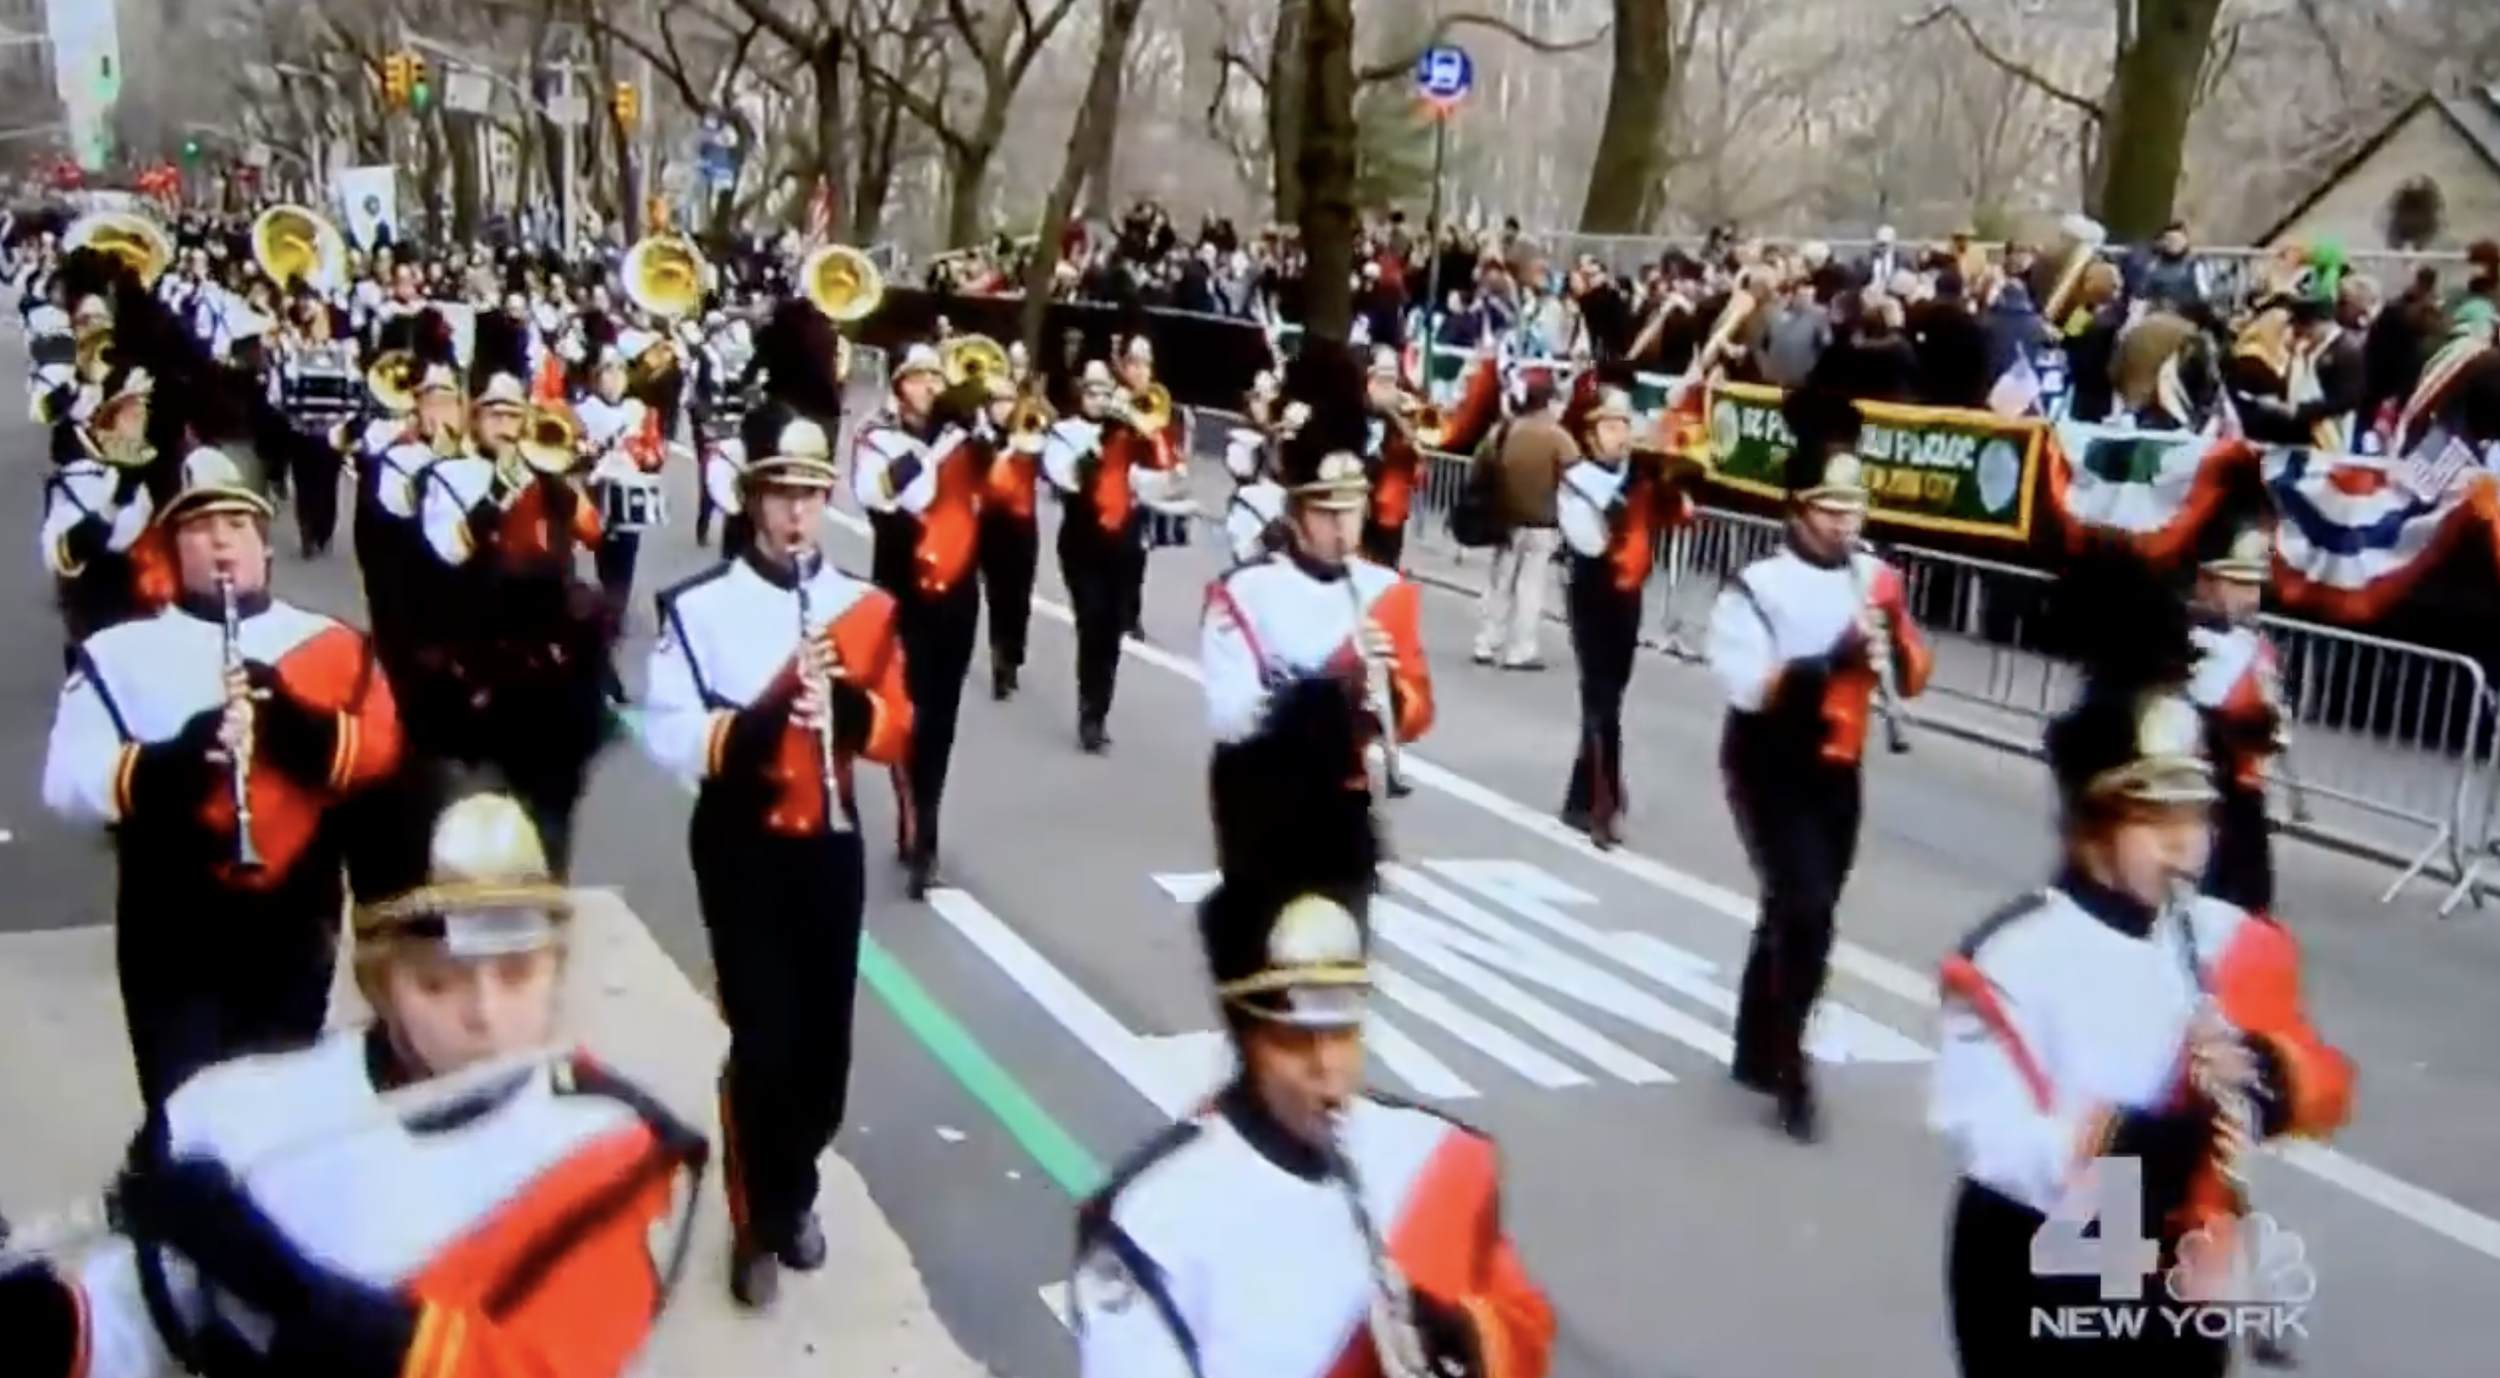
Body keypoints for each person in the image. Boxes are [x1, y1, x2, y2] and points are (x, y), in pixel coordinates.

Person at [0, 769, 711, 1378]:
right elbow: (138, 1322)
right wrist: (52, 1323)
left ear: (558, 965)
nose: (486, 1015)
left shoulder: (616, 1153)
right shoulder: (238, 1112)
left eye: (519, 974)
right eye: (437, 983)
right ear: (379, 981)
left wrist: (286, 1289)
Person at [1931, 546, 2354, 1378]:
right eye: (2153, 819)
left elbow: (2327, 1082)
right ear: (2092, 824)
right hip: (2043, 1258)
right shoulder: (2012, 956)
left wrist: (2263, 1074)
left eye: (2193, 816)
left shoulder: (2226, 939)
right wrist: (2135, 1141)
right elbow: (1989, 1136)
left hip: (2180, 1266)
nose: (2183, 844)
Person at [1073, 672, 1554, 1378]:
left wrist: (1465, 1341)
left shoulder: (1439, 1161)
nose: (1330, 1070)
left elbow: (1521, 1329)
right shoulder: (1150, 1224)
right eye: (1295, 1042)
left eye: (1344, 1031)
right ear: (1245, 1031)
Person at [642, 404, 913, 1308]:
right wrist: (756, 729)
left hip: (830, 844)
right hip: (740, 843)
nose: (797, 513)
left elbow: (898, 726)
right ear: (752, 499)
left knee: (824, 1054)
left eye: (810, 494)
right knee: (763, 1042)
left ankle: (793, 1181)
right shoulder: (698, 607)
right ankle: (758, 1218)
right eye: (781, 494)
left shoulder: (866, 608)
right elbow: (668, 730)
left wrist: (853, 712)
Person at [42, 445, 404, 1107]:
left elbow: (382, 753)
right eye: (198, 527)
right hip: (170, 913)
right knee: (182, 1101)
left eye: (236, 525)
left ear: (263, 546)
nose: (219, 541)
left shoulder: (332, 642)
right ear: (173, 549)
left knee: (280, 1096)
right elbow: (66, 782)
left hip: (296, 912)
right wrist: (174, 763)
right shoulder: (117, 653)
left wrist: (297, 728)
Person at [1705, 383, 1932, 1142]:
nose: (1844, 525)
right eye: (1829, 511)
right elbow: (1747, 685)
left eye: (1853, 511)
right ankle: (1790, 1062)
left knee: (1799, 904)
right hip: (1769, 758)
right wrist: (1828, 661)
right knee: (1805, 906)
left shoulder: (1876, 580)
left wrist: (1894, 645)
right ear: (1797, 511)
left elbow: (1915, 674)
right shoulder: (1758, 585)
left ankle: (1754, 1039)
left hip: (1840, 762)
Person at [1200, 340, 1432, 795]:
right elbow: (1232, 717)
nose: (1342, 528)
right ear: (1296, 511)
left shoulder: (1386, 590)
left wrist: (1391, 697)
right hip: (1265, 791)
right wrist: (1336, 679)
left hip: (1345, 797)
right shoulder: (1241, 594)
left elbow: (1418, 710)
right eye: (1326, 512)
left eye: (1352, 510)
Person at [852, 342, 983, 896]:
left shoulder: (964, 435)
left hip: (958, 593)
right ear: (899, 384)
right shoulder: (875, 436)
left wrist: (990, 425)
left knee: (943, 718)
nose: (932, 385)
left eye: (937, 376)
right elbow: (887, 494)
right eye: (920, 376)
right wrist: (941, 444)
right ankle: (918, 830)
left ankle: (927, 819)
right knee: (910, 714)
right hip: (903, 592)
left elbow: (1008, 479)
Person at [1555, 386, 1695, 847]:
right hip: (1592, 593)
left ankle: (1582, 796)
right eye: (1611, 426)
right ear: (1591, 435)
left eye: (1624, 426)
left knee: (1609, 698)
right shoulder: (1577, 481)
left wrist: (1669, 485)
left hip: (1629, 596)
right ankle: (1604, 802)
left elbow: (1681, 516)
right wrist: (1633, 486)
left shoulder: (1639, 478)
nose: (1621, 435)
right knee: (1601, 699)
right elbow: (1590, 540)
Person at [1040, 358, 1146, 753]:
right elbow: (1065, 477)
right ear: (1080, 393)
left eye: (1106, 392)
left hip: (1123, 543)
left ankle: (1100, 710)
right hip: (1082, 541)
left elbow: (1159, 479)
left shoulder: (1130, 435)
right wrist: (1101, 444)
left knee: (1113, 629)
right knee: (1092, 621)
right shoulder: (1065, 432)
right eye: (1093, 391)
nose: (1100, 399)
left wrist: (1142, 435)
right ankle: (1088, 710)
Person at [2185, 526, 2283, 914]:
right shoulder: (2191, 641)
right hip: (2207, 786)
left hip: (2246, 788)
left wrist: (2272, 725)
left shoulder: (2257, 644)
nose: (2250, 597)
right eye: (2238, 584)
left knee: (2249, 895)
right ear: (2208, 583)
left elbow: (2271, 707)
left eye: (2255, 586)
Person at [1470, 372, 1571, 669]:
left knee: (1499, 584)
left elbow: (1479, 465)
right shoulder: (1557, 437)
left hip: (1505, 521)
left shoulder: (1502, 432)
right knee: (1530, 589)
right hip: (1542, 524)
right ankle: (1521, 649)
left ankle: (1486, 642)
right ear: (1549, 402)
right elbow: (1576, 474)